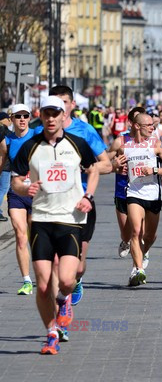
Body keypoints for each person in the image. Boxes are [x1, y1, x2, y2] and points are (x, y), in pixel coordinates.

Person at [11, 95, 99, 355]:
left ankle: (63, 300)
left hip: (70, 220)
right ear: (41, 115)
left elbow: (93, 169)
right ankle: (51, 331)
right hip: (41, 221)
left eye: (55, 114)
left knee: (67, 280)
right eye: (46, 114)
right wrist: (26, 187)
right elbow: (15, 180)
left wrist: (89, 196)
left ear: (63, 116)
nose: (50, 119)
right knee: (43, 284)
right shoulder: (30, 146)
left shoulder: (77, 143)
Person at [46, 85, 112, 308]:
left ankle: (77, 279)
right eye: (55, 102)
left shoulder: (84, 131)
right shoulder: (41, 132)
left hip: (81, 202)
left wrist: (86, 169)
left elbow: (106, 164)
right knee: (56, 260)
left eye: (64, 102)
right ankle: (59, 310)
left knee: (78, 265)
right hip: (52, 202)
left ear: (72, 105)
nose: (59, 107)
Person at [118, 112, 162, 286]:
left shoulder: (156, 145)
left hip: (153, 195)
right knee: (136, 232)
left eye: (153, 125)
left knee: (150, 236)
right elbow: (110, 160)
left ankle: (143, 254)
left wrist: (154, 171)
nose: (153, 128)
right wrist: (116, 167)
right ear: (137, 126)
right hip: (134, 193)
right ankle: (138, 269)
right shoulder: (124, 146)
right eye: (149, 125)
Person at [0, 104, 36, 295]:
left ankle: (44, 272)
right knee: (21, 236)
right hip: (16, 193)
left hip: (37, 193)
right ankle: (27, 281)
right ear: (11, 119)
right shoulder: (7, 140)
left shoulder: (38, 136)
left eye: (26, 116)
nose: (22, 119)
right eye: (18, 116)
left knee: (36, 238)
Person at [108, 107, 146, 258]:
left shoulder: (151, 141)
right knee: (126, 233)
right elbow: (105, 162)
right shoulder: (121, 141)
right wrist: (114, 166)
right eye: (136, 120)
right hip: (122, 189)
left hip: (143, 190)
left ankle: (140, 261)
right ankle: (125, 241)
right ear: (131, 122)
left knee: (139, 231)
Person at [0, 112, 12, 222]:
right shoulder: (5, 132)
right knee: (3, 189)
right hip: (5, 166)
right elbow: (6, 150)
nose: (10, 121)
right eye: (8, 118)